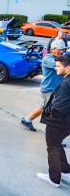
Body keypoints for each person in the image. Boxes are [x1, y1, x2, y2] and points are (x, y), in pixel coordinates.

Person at [37, 53, 70, 187]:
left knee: (53, 148)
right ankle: (65, 170)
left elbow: (59, 107)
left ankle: (54, 179)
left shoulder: (66, 84)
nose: (56, 69)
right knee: (57, 144)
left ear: (68, 67)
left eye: (58, 66)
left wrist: (50, 113)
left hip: (58, 123)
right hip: (67, 122)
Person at [21, 40, 66, 131]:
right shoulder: (48, 59)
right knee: (54, 110)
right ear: (53, 49)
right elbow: (63, 67)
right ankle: (53, 133)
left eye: (63, 50)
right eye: (61, 49)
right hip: (49, 89)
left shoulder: (60, 57)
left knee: (44, 106)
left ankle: (27, 119)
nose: (62, 52)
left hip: (55, 89)